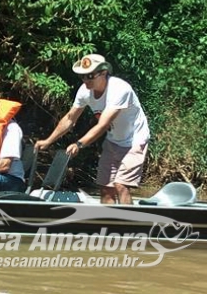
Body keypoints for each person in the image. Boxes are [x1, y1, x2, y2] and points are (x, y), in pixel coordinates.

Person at [34, 54, 150, 204]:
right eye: (82, 76)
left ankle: (128, 225)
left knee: (120, 185)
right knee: (105, 187)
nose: (85, 80)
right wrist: (48, 141)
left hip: (134, 139)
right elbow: (70, 118)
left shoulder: (120, 89)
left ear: (103, 72)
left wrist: (79, 144)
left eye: (89, 76)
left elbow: (102, 125)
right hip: (114, 140)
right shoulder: (84, 91)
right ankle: (107, 223)